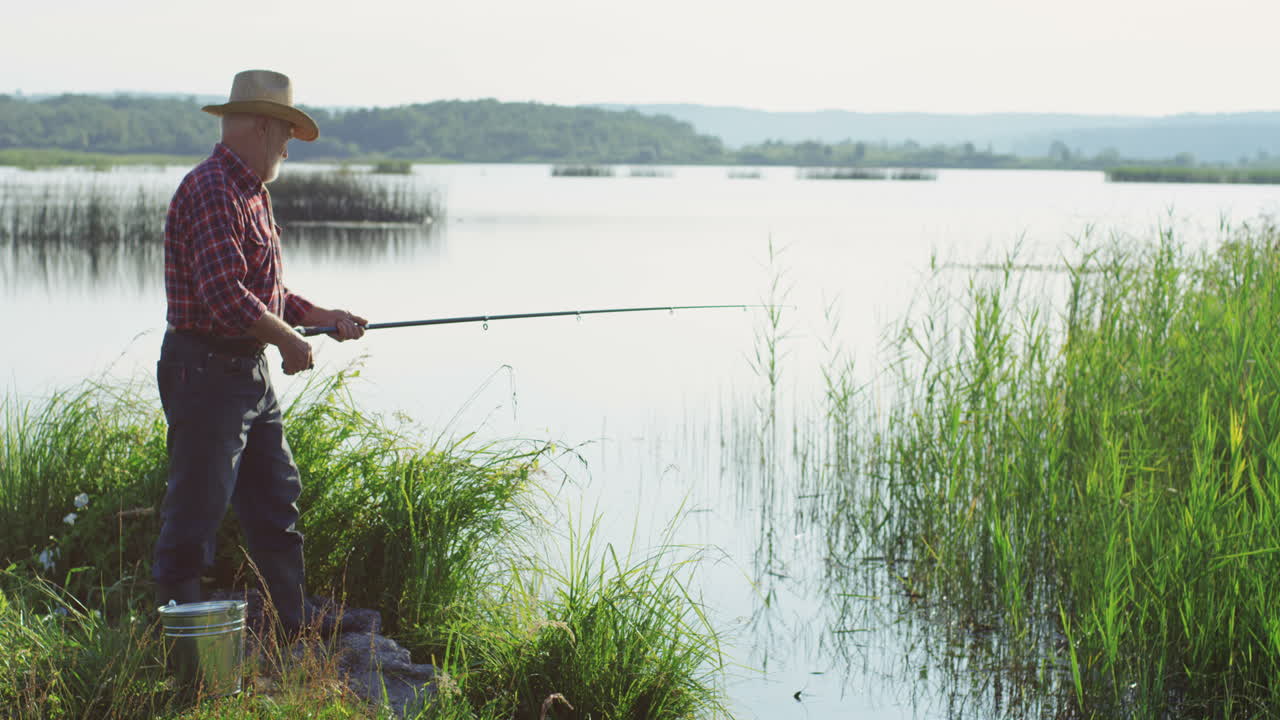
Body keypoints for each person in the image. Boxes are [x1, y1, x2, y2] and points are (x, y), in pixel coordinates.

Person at [153, 69, 365, 637]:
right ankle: (181, 652)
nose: (289, 148)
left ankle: (294, 626)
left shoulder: (251, 192)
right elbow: (225, 298)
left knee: (276, 500)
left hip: (247, 372)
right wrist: (290, 341)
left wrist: (320, 316)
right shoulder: (212, 189)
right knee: (195, 514)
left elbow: (264, 293)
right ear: (264, 127)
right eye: (287, 134)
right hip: (205, 371)